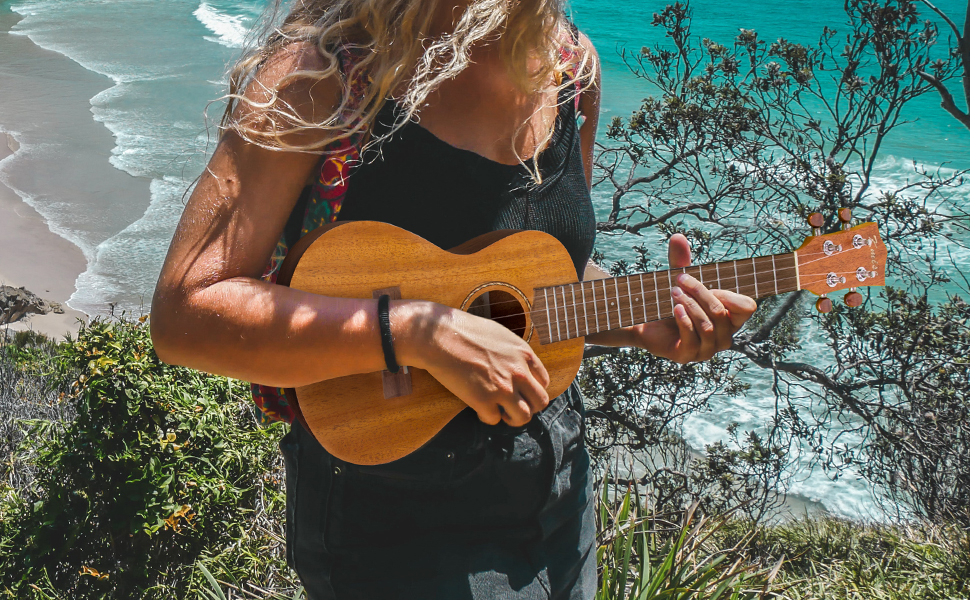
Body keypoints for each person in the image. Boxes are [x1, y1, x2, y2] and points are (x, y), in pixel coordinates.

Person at [150, 0, 758, 597]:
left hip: (557, 482)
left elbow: (533, 275)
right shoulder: (327, 74)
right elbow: (186, 313)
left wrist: (639, 321)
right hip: (393, 512)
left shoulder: (572, 70)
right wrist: (418, 333)